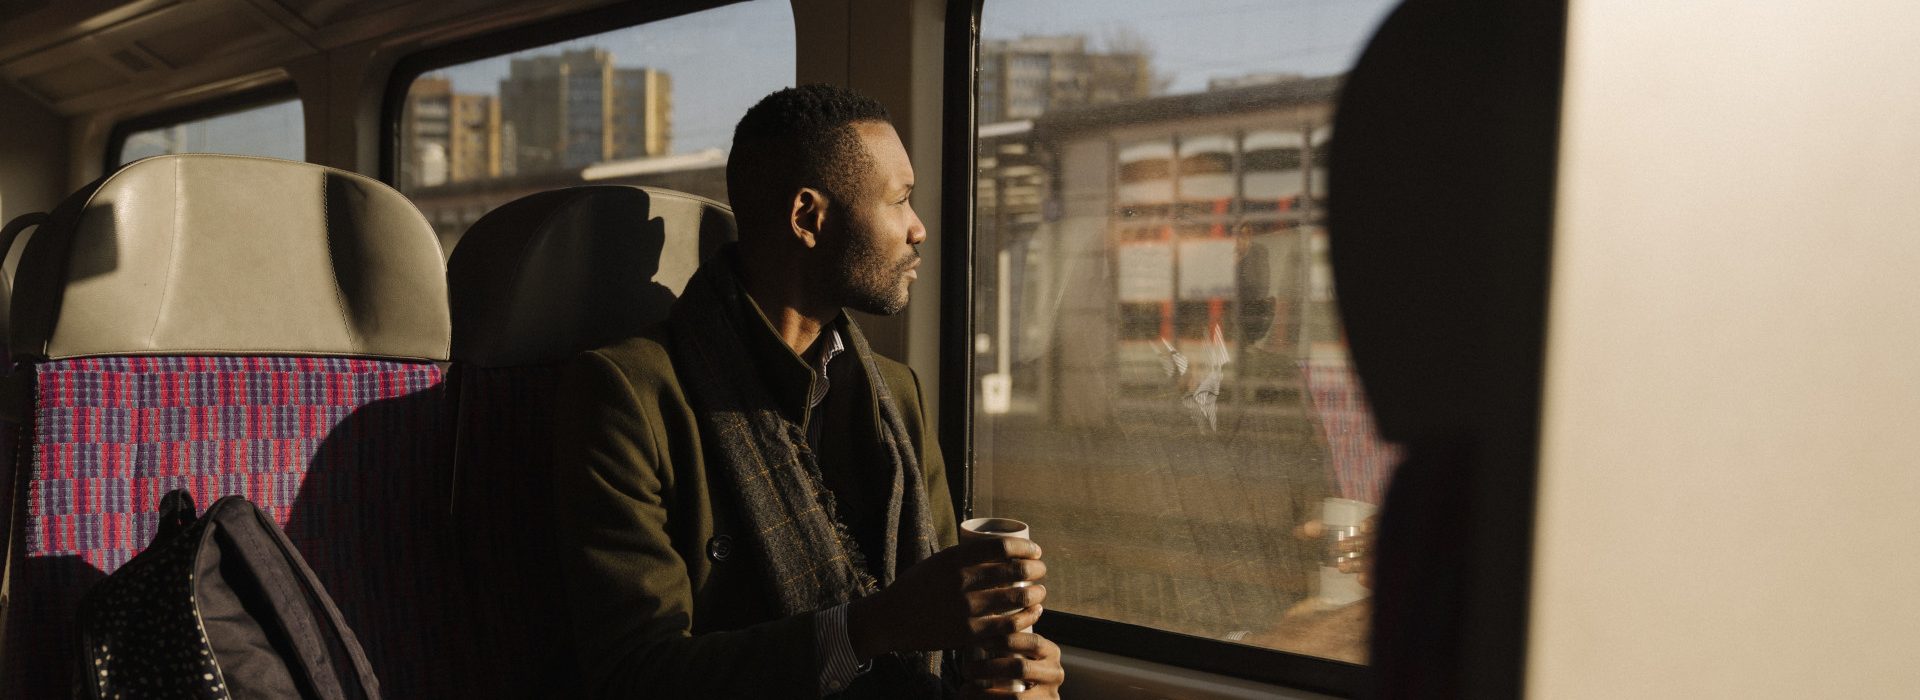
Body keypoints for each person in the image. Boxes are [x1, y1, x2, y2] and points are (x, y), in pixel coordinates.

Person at [553, 84, 1066, 698]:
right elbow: (636, 676)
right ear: (807, 218)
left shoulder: (897, 395)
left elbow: (935, 622)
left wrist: (1000, 673)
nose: (919, 229)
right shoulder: (629, 395)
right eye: (900, 201)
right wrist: (878, 625)